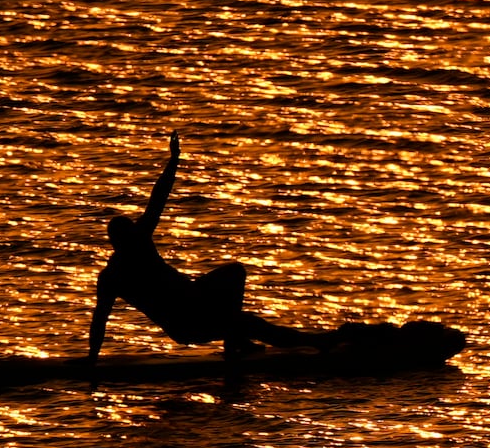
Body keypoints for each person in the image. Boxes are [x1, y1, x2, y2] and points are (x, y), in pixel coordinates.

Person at [88, 131, 344, 364]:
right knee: (253, 325)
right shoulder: (116, 273)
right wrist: (91, 360)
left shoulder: (126, 256)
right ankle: (317, 343)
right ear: (122, 240)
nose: (138, 232)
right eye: (132, 233)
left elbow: (158, 199)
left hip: (196, 300)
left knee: (235, 273)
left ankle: (237, 338)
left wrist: (174, 160)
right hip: (189, 321)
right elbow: (100, 318)